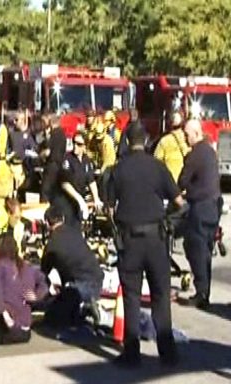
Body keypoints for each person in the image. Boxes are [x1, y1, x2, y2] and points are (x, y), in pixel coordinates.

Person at [107, 124, 183, 368]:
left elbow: (109, 209)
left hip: (129, 241)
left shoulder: (118, 170)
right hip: (156, 239)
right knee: (161, 294)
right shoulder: (158, 167)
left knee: (131, 297)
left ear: (127, 142)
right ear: (147, 139)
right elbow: (180, 202)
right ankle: (167, 353)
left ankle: (131, 354)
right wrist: (167, 219)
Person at [179, 119, 221, 309]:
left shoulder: (195, 154)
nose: (185, 138)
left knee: (195, 248)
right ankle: (205, 292)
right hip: (213, 206)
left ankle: (201, 293)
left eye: (187, 135)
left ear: (195, 133)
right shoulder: (210, 152)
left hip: (201, 207)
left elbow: (182, 180)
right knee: (205, 250)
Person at [40, 206, 104, 314]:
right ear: (63, 219)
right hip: (98, 281)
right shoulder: (75, 233)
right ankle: (86, 305)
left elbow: (43, 274)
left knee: (53, 311)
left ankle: (84, 308)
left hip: (79, 287)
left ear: (46, 223)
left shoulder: (52, 245)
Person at [53, 132, 102, 228]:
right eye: (74, 142)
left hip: (79, 202)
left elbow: (91, 180)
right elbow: (65, 183)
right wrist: (80, 200)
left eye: (79, 144)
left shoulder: (86, 161)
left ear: (84, 147)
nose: (75, 146)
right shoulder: (67, 159)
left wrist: (96, 198)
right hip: (66, 201)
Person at [154, 112, 190, 186]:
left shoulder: (164, 141)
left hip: (169, 186)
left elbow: (156, 163)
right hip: (184, 186)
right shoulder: (188, 140)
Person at [39, 115, 66, 203]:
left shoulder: (54, 134)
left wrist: (40, 155)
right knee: (55, 191)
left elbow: (48, 152)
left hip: (52, 165)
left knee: (45, 191)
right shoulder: (62, 134)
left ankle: (44, 211)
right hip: (60, 165)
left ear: (51, 122)